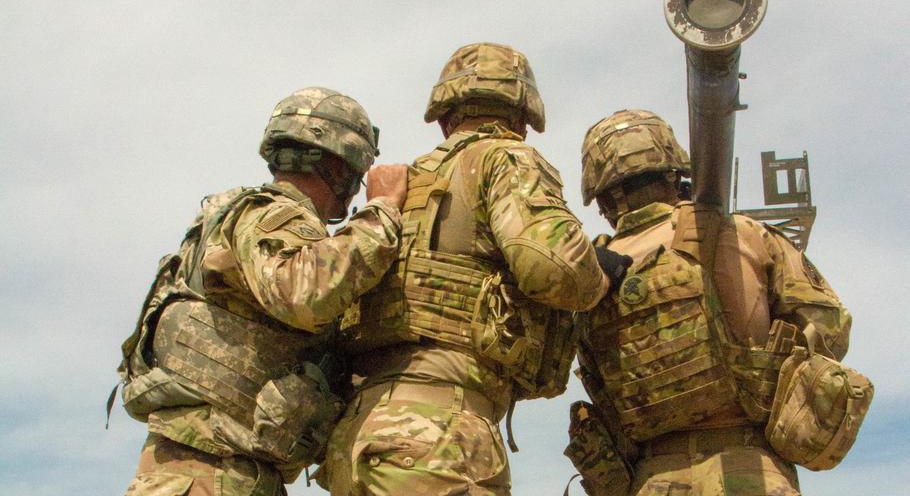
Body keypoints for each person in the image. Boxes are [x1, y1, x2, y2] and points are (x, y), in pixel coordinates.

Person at [317, 42, 622, 495]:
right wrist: (600, 275)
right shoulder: (506, 157)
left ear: (444, 117)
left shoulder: (400, 191)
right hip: (437, 435)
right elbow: (555, 269)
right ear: (522, 119)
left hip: (360, 436)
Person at [116, 87, 408, 496]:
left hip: (218, 471)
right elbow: (305, 293)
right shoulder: (274, 214)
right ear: (342, 166)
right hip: (210, 472)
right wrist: (383, 210)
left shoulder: (246, 216)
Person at [565, 109, 853, 496]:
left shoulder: (590, 276)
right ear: (673, 173)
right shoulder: (745, 234)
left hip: (652, 478)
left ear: (601, 197)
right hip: (751, 467)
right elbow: (832, 327)